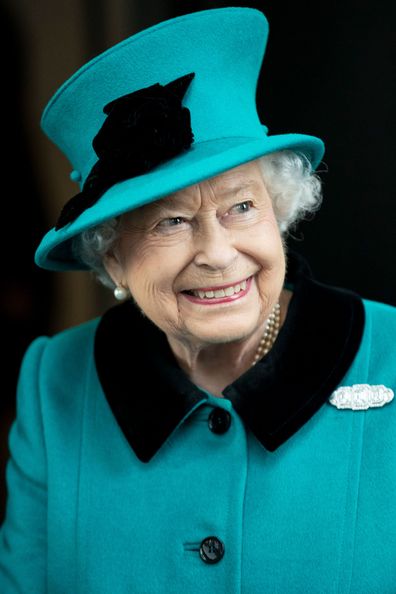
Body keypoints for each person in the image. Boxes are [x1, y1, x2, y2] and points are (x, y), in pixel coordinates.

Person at [0, 6, 395, 593]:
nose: (216, 252)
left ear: (279, 211)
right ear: (113, 258)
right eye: (171, 221)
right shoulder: (53, 382)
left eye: (241, 206)